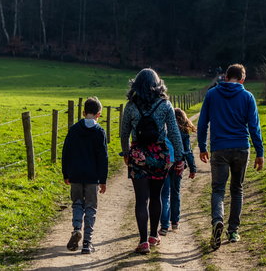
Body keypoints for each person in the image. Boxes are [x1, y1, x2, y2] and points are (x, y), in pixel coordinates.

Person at [197, 64, 264, 250]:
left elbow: (202, 123)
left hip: (219, 149)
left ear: (226, 77)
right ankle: (233, 230)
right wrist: (260, 152)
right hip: (242, 148)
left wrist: (202, 147)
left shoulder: (212, 94)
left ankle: (217, 221)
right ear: (242, 79)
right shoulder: (248, 97)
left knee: (218, 190)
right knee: (237, 189)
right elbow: (254, 127)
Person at [120, 68, 184, 254]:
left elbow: (123, 133)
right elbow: (174, 133)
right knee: (156, 197)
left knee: (141, 199)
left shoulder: (131, 106)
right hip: (160, 156)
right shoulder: (165, 105)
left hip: (138, 154)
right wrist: (179, 157)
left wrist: (126, 152)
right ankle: (154, 235)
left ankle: (142, 241)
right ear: (158, 85)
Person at [62, 97, 108, 254]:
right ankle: (87, 242)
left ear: (83, 112)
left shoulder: (73, 130)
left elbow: (66, 153)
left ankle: (76, 229)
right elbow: (103, 157)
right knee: (90, 207)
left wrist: (65, 174)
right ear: (99, 115)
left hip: (75, 174)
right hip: (92, 177)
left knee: (77, 203)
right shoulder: (99, 132)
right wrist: (103, 180)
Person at [159, 108, 197, 236]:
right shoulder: (183, 131)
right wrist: (192, 168)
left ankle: (164, 225)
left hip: (165, 163)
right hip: (178, 165)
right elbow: (188, 151)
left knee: (164, 195)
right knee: (175, 192)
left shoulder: (164, 128)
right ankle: (175, 222)